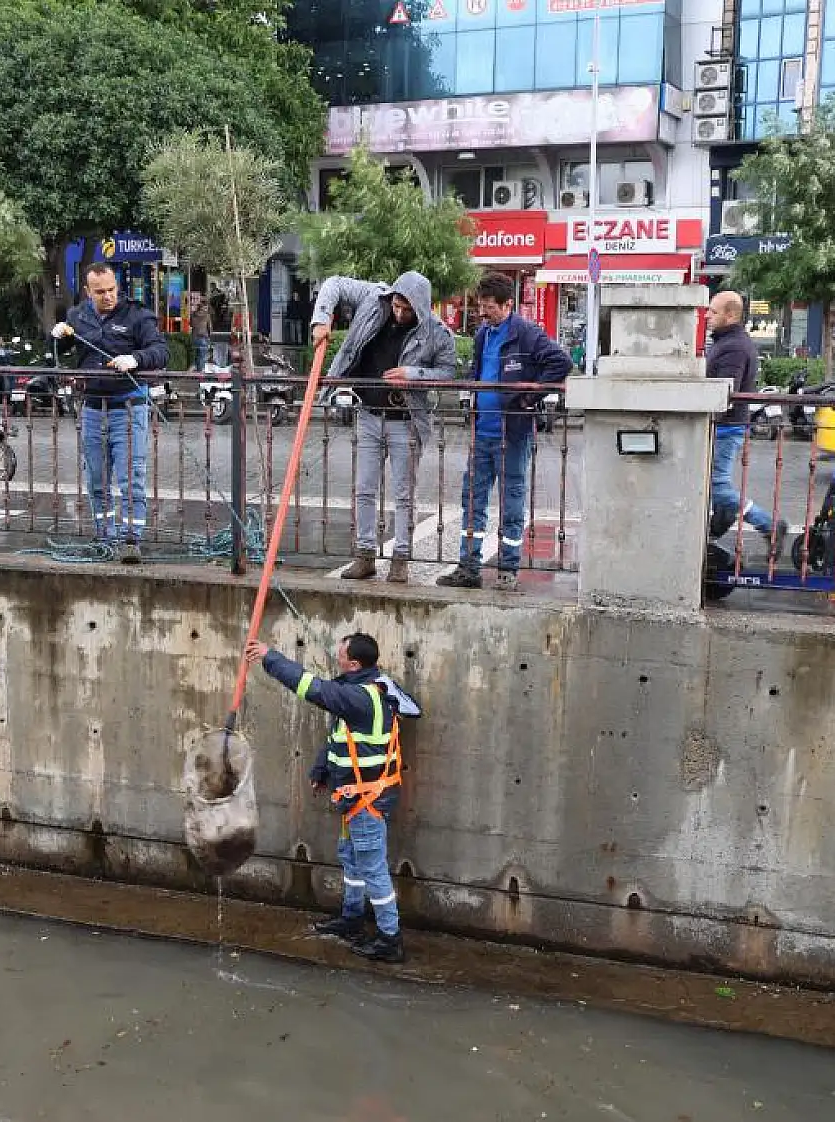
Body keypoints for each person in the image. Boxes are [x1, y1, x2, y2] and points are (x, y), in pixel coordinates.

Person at [244, 633, 410, 964]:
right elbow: (340, 736)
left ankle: (390, 939)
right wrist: (322, 770)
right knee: (350, 858)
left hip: (368, 802)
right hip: (354, 799)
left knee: (372, 868)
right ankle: (351, 919)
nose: (337, 655)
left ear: (354, 664)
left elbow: (311, 688)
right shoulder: (370, 689)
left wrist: (269, 657)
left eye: (342, 652)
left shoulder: (360, 697)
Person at [311, 271, 457, 584]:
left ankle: (400, 559)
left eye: (407, 309)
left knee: (404, 493)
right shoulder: (374, 298)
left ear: (421, 306)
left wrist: (413, 373)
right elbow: (334, 283)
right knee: (364, 488)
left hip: (405, 420)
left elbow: (447, 373)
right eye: (397, 306)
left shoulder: (437, 333)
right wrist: (322, 319)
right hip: (368, 414)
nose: (399, 313)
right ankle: (364, 556)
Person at [436, 274, 571, 591]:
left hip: (512, 433)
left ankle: (508, 568)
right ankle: (469, 567)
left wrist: (527, 398)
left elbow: (560, 363)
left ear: (508, 305)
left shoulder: (527, 334)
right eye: (480, 307)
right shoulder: (484, 332)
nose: (482, 314)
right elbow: (478, 370)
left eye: (489, 308)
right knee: (472, 501)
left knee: (511, 502)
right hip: (481, 431)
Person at [54, 263, 169, 563]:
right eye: (100, 292)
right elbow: (62, 349)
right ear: (88, 292)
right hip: (92, 407)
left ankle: (132, 540)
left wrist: (136, 358)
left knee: (131, 478)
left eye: (111, 290)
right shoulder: (77, 316)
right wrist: (58, 336)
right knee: (96, 478)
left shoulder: (137, 314)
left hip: (128, 408)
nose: (107, 296)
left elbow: (161, 351)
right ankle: (103, 534)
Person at [705, 290, 786, 550]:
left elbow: (726, 392)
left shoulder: (734, 348)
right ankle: (714, 531)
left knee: (716, 487)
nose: (707, 315)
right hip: (724, 426)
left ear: (731, 315)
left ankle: (768, 524)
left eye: (713, 311)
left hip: (726, 427)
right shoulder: (726, 342)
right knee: (716, 485)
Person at [189, 293, 213, 371]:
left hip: (194, 337)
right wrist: (209, 336)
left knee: (196, 355)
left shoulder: (193, 315)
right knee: (202, 356)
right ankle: (200, 372)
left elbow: (191, 324)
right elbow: (209, 327)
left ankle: (195, 369)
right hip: (203, 336)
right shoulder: (207, 316)